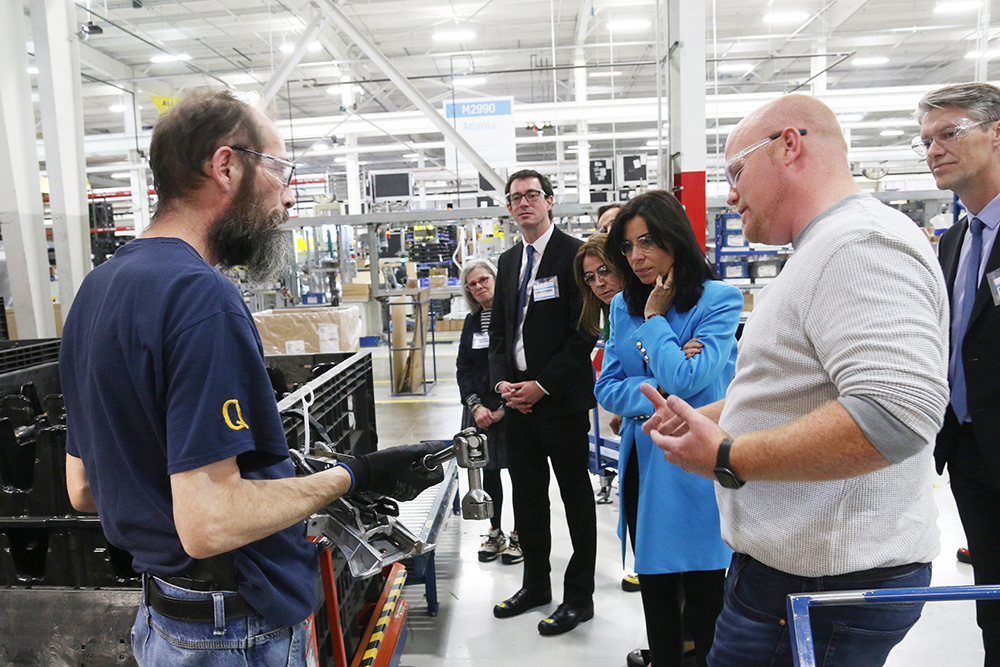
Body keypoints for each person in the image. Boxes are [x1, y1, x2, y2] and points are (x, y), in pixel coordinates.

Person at [58, 88, 443, 666]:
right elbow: (210, 524)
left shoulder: (97, 289)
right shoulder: (199, 296)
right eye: (281, 171)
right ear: (226, 166)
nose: (286, 198)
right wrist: (355, 474)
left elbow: (83, 489)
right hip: (233, 633)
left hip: (164, 622)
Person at [642, 94, 950, 667]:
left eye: (736, 171)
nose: (730, 194)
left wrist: (730, 454)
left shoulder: (858, 245)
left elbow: (895, 415)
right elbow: (805, 388)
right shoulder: (828, 246)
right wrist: (713, 418)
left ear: (789, 145)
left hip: (822, 587)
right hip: (798, 576)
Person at [596, 191, 741, 667]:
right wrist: (665, 378)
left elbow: (688, 379)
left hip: (697, 468)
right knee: (656, 593)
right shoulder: (622, 305)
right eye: (628, 246)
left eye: (648, 242)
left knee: (705, 599)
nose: (636, 256)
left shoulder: (718, 299)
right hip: (646, 467)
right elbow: (609, 387)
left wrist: (656, 321)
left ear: (676, 240)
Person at [488, 169, 598, 636]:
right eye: (515, 198)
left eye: (532, 195)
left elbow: (585, 332)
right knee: (527, 499)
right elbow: (498, 334)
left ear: (550, 201)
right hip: (517, 405)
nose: (523, 203)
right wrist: (503, 387)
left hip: (561, 403)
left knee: (575, 499)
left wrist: (542, 385)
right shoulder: (509, 260)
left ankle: (580, 597)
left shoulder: (575, 255)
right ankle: (536, 584)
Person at [917, 82, 1000, 667]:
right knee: (991, 598)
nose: (934, 150)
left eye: (950, 134)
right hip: (972, 450)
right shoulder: (954, 241)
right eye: (926, 141)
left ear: (997, 132)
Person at [456, 257, 521, 566]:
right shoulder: (471, 323)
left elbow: (521, 364)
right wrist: (476, 406)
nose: (479, 287)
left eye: (484, 280)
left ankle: (520, 536)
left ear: (496, 281)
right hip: (479, 412)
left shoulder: (514, 317)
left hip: (514, 408)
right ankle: (494, 533)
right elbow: (463, 369)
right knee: (489, 475)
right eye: (472, 284)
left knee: (521, 474)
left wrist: (504, 409)